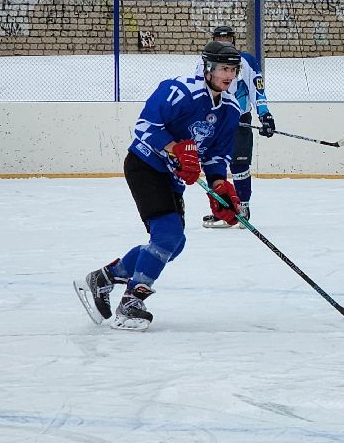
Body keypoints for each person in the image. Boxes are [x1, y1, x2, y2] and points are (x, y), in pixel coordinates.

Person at [73, 40, 244, 330]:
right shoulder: (180, 90)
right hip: (146, 166)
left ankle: (103, 278)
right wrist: (176, 149)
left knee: (173, 244)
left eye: (233, 70)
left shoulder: (230, 108)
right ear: (208, 68)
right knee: (167, 236)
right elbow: (145, 127)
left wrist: (219, 187)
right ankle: (131, 301)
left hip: (174, 178)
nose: (228, 75)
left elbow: (215, 155)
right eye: (223, 68)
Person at [200, 25, 275, 228]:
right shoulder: (204, 63)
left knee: (239, 165)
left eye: (228, 38)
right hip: (214, 120)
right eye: (219, 38)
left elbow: (257, 90)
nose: (224, 41)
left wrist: (265, 114)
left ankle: (243, 206)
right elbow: (200, 92)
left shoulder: (246, 61)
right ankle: (222, 210)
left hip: (240, 118)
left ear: (233, 40)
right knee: (214, 165)